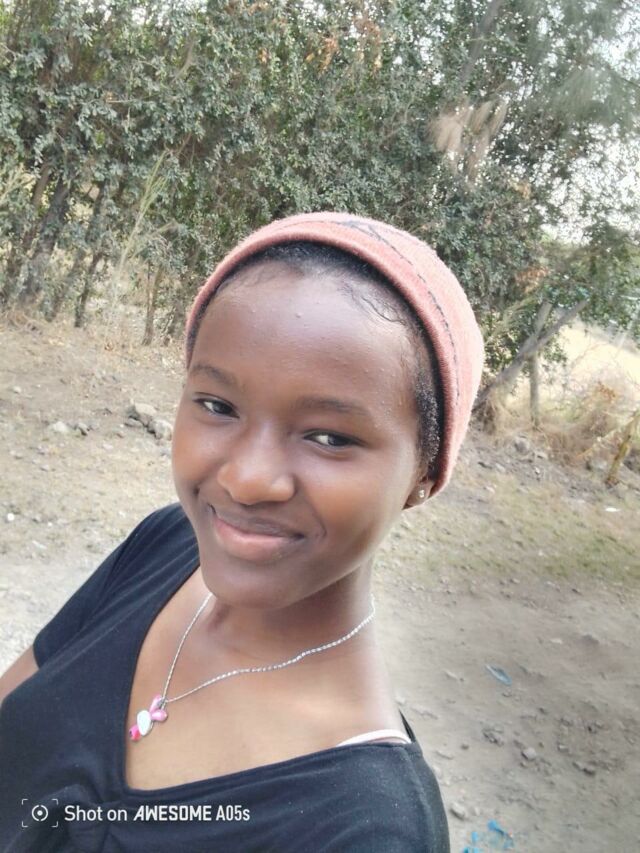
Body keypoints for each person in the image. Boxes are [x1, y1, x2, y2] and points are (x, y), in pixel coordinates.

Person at [0, 212, 484, 852]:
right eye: (218, 406)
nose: (248, 479)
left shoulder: (368, 831)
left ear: (424, 473)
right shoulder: (165, 546)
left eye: (329, 437)